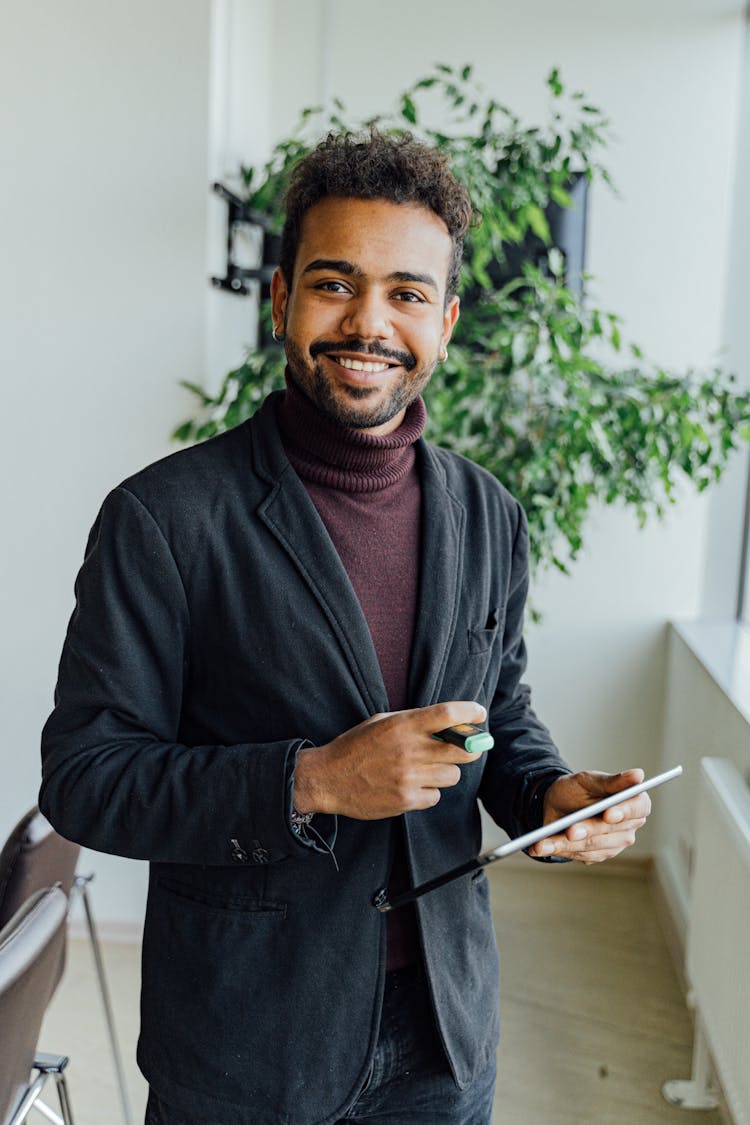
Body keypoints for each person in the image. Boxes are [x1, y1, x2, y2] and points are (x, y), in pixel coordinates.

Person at [40, 130, 651, 1125]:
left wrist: (548, 794)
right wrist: (313, 779)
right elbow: (86, 777)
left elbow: (495, 715)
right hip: (246, 1049)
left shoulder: (489, 512)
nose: (369, 322)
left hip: (444, 1040)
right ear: (280, 299)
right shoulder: (166, 518)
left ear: (446, 323)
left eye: (408, 293)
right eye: (335, 283)